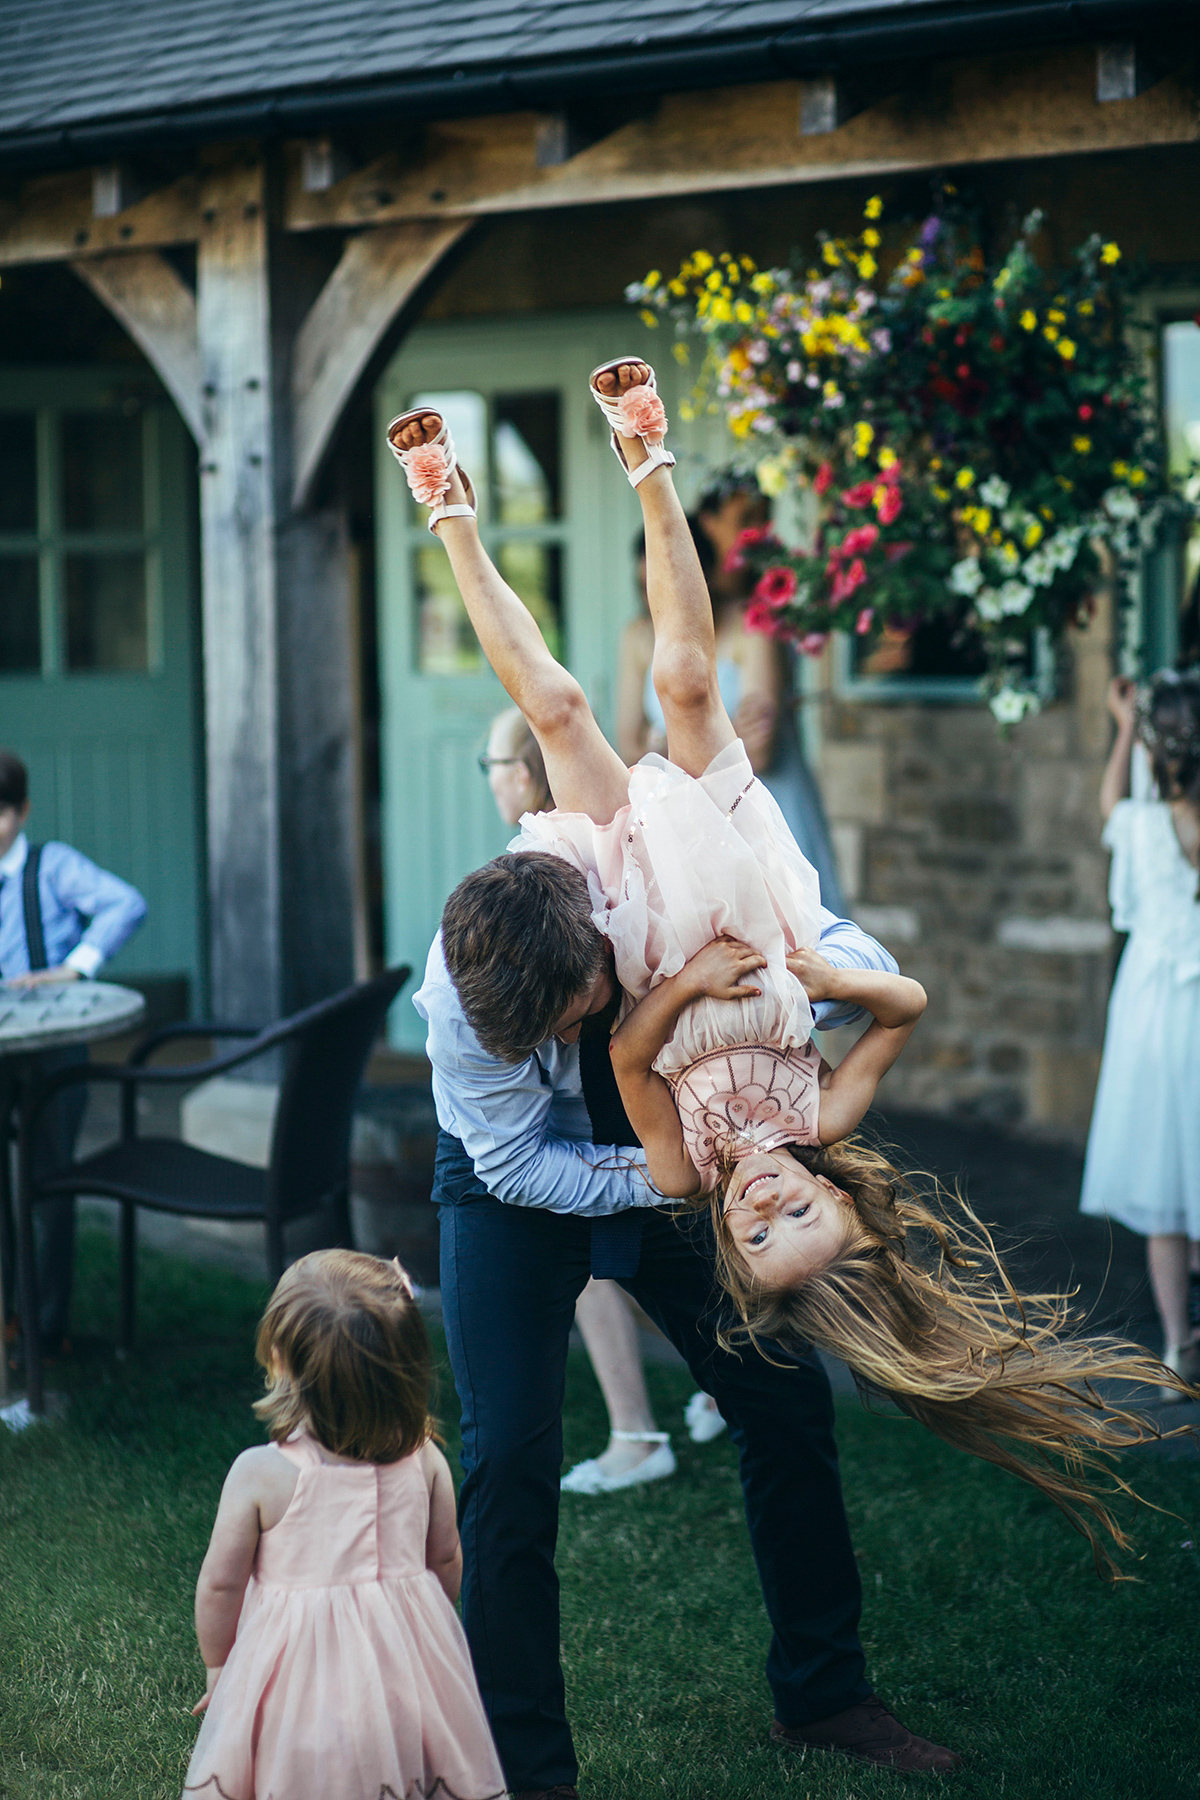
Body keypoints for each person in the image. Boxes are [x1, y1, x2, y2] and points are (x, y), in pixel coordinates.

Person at [395, 355, 1185, 1606]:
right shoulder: (803, 1116)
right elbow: (903, 1000)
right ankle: (646, 459)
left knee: (558, 710)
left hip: (660, 947)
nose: (768, 1205)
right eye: (799, 1217)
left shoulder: (678, 1164)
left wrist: (680, 997)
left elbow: (625, 1057)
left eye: (755, 1232)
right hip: (739, 923)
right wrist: (832, 976)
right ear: (850, 1208)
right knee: (692, 685)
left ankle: (450, 510)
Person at [393, 368, 963, 1789]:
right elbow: (522, 1164)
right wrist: (674, 1173)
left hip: (674, 1158)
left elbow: (587, 712)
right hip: (529, 1185)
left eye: (606, 984)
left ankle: (825, 1692)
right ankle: (528, 1764)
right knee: (514, 1465)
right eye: (591, 1005)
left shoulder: (593, 869)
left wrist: (814, 981)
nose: (608, 999)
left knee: (784, 1404)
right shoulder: (467, 1011)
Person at [181, 1249, 506, 1800]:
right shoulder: (425, 1458)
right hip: (408, 1669)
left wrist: (219, 1667)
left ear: (281, 1360)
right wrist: (424, 1622)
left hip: (298, 1676)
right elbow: (447, 1556)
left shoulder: (262, 1474)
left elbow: (220, 1583)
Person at [483, 705, 677, 1493]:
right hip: (618, 1103)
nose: (493, 779)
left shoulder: (579, 871)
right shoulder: (507, 899)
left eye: (493, 765)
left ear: (523, 777)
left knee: (589, 1242)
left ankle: (637, 1429)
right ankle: (700, 1398)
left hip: (632, 1083)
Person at [616, 479, 846, 915]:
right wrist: (721, 740)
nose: (657, 599)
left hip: (765, 812)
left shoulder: (751, 624)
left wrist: (662, 744)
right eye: (645, 587)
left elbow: (757, 753)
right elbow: (628, 752)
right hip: (683, 825)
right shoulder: (637, 637)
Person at [0, 748, 146, 1352]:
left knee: (49, 1180)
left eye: (1, 811)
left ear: (24, 811)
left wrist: (75, 966)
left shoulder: (52, 867)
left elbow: (125, 903)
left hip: (54, 1046)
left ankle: (45, 1323)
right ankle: (8, 1309)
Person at [1080, 672, 1200, 1396]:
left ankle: (1177, 1346)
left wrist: (1123, 725)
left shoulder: (1142, 823)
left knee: (1165, 1181)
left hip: (1156, 1011)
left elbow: (1106, 803)